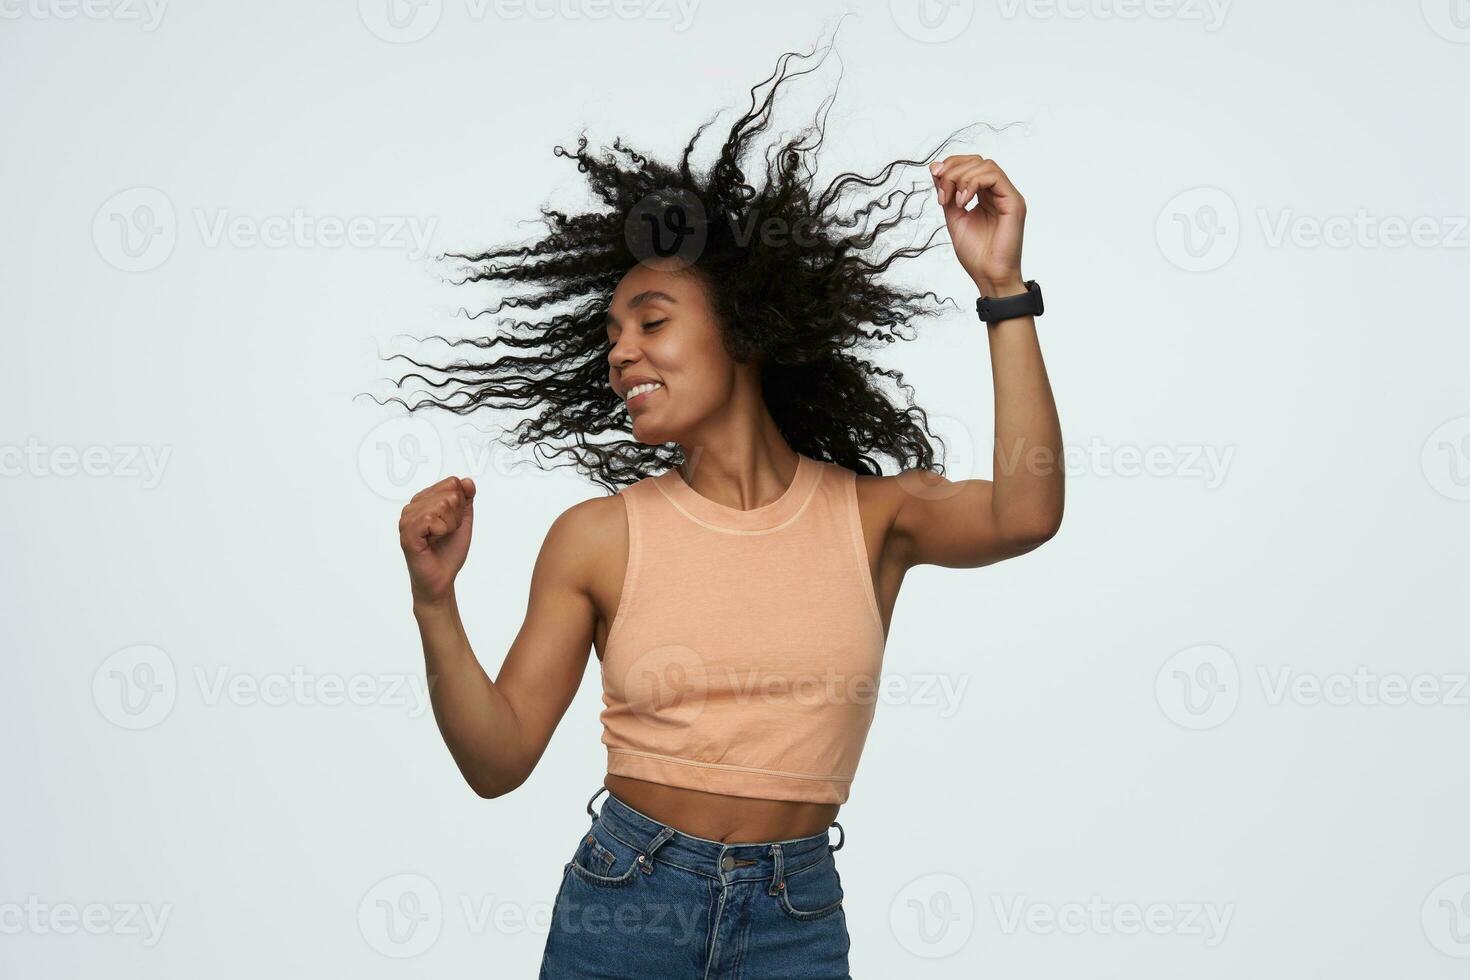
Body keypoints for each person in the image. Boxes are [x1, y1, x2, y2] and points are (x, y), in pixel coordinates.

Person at [388, 36, 1062, 980]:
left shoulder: (876, 518)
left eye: (652, 322)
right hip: (627, 905)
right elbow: (497, 761)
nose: (621, 353)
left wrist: (1001, 290)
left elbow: (1028, 510)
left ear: (743, 328)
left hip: (796, 917)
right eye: (613, 335)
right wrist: (434, 602)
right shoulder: (598, 538)